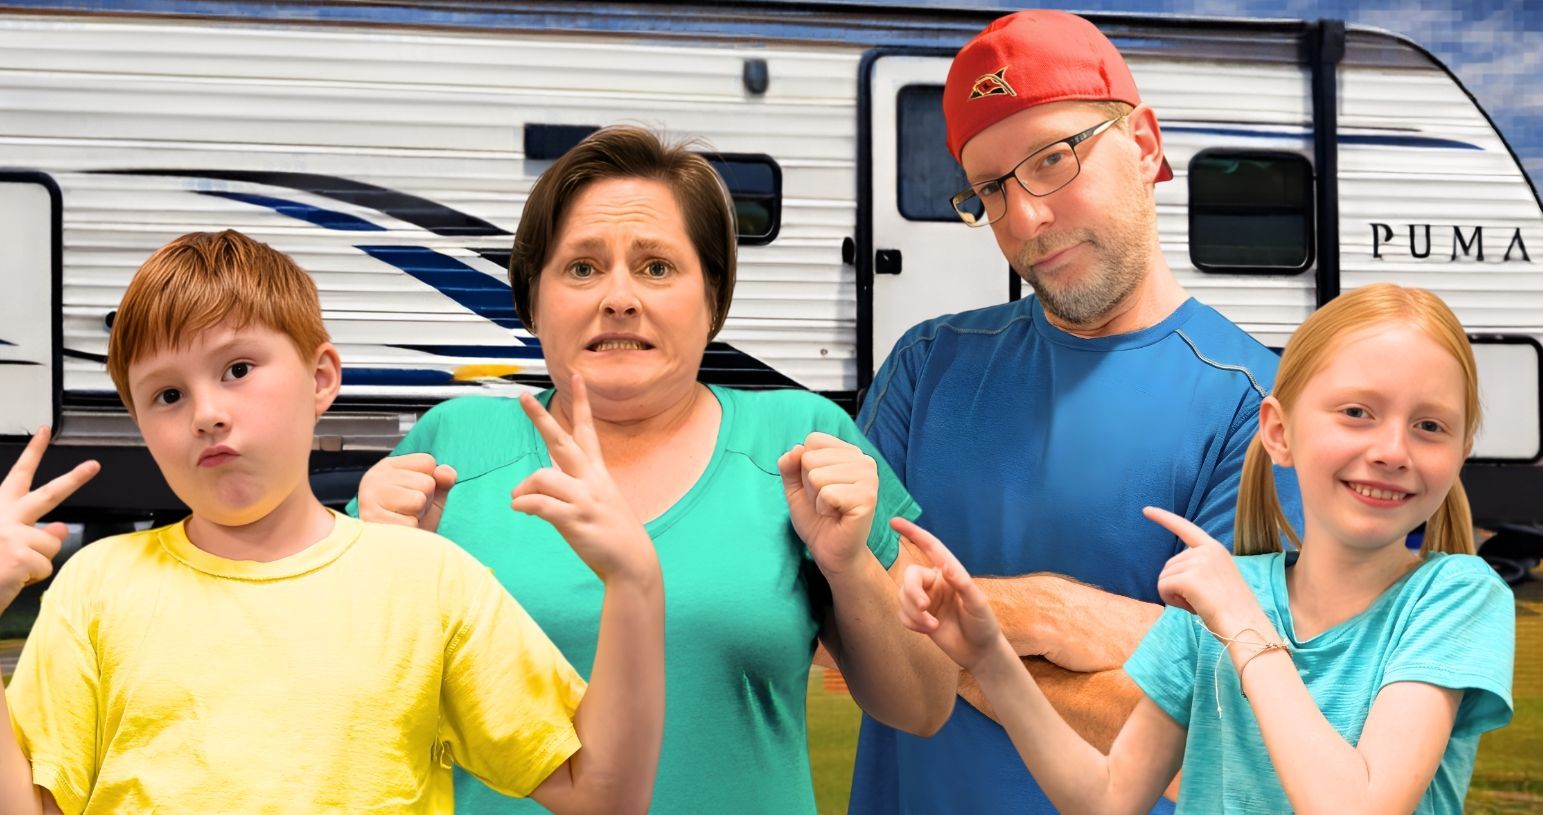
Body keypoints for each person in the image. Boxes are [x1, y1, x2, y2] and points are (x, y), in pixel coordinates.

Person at [352, 125, 957, 814]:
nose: (618, 297)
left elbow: (924, 704)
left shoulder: (803, 442)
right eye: (581, 267)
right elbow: (338, 699)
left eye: (656, 267)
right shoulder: (449, 451)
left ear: (712, 298)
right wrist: (378, 568)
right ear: (531, 299)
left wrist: (849, 566)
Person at [0, 229, 666, 814]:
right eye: (167, 394)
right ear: (142, 425)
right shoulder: (96, 586)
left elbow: (601, 793)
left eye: (236, 368)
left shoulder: (426, 579)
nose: (205, 411)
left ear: (321, 378)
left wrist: (634, 580)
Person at [850, 9, 1304, 814]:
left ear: (1145, 145)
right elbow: (842, 623)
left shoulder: (1257, 410)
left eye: (1053, 160)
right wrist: (1083, 622)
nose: (1024, 218)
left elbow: (1247, 727)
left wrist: (945, 624)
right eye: (990, 188)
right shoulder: (926, 369)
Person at [895, 282, 1514, 814]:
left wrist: (1244, 624)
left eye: (1430, 426)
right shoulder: (1220, 597)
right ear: (1279, 432)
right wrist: (988, 657)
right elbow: (1107, 798)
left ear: (1460, 454)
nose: (1392, 450)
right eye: (1357, 412)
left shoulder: (1454, 595)